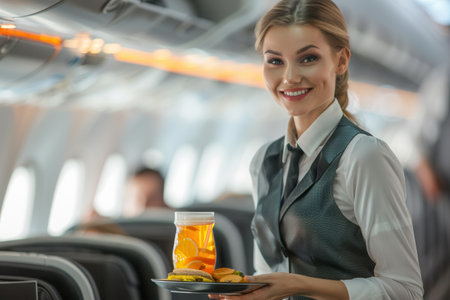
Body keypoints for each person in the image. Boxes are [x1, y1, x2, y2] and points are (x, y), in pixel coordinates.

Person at [210, 0, 423, 299]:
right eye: (275, 61)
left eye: (307, 58)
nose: (290, 77)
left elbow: (405, 290)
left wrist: (300, 285)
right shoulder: (264, 161)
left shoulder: (364, 156)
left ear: (341, 61)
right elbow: (269, 274)